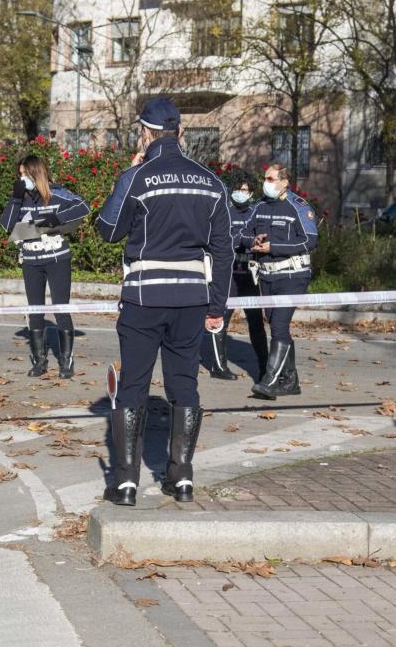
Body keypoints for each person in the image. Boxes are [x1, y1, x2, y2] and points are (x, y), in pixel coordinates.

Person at [95, 97, 233, 506]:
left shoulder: (138, 177)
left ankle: (125, 482)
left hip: (143, 296)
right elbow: (224, 252)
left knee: (134, 384)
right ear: (181, 134)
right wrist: (217, 307)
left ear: (145, 133)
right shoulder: (211, 182)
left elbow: (107, 229)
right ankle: (182, 477)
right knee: (184, 384)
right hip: (191, 297)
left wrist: (128, 175)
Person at [0, 155, 90, 378]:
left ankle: (65, 362)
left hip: (57, 258)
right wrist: (15, 197)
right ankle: (39, 361)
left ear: (36, 173)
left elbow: (83, 207)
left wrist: (52, 221)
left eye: (25, 175)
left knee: (61, 308)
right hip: (31, 261)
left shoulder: (55, 192)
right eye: (19, 175)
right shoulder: (20, 199)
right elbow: (7, 226)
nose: (22, 179)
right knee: (35, 310)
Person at [240, 163, 318, 400]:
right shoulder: (260, 206)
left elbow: (309, 240)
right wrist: (253, 241)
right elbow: (243, 233)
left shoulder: (298, 207)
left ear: (285, 182)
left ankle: (270, 381)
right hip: (267, 276)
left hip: (293, 276)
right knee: (275, 325)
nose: (267, 183)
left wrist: (275, 247)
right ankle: (290, 381)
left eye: (272, 179)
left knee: (280, 326)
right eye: (266, 178)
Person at [205, 166, 268, 381]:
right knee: (221, 318)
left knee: (256, 322)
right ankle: (218, 366)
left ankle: (264, 367)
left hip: (250, 274)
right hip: (228, 273)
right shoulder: (223, 211)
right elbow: (219, 241)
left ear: (251, 193)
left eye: (247, 190)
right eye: (239, 189)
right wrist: (245, 240)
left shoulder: (255, 213)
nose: (243, 193)